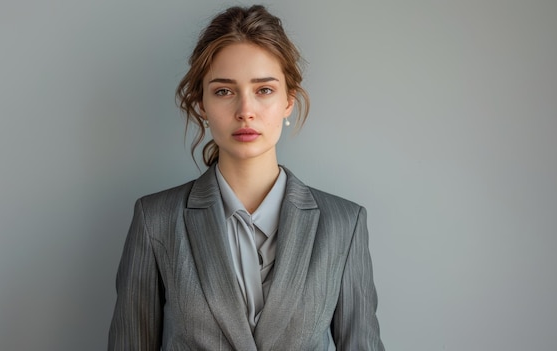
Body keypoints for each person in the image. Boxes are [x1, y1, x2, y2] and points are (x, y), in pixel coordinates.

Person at [108, 5, 384, 350]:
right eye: (224, 91)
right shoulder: (156, 221)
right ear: (201, 105)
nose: (245, 111)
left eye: (264, 90)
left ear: (288, 102)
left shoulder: (344, 224)